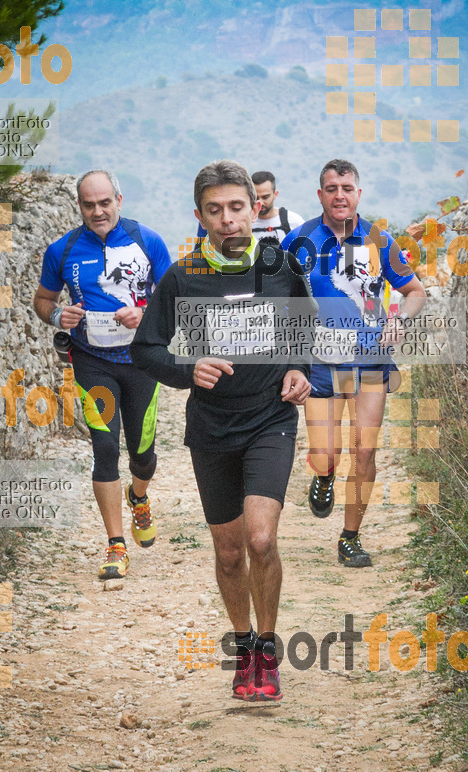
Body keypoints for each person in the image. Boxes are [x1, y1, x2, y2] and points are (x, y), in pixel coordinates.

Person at [131, 160, 316, 701]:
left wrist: (299, 369)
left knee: (262, 539)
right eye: (215, 210)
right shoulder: (185, 275)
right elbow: (147, 348)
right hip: (212, 426)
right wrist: (189, 371)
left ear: (255, 208)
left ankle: (268, 650)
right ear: (200, 216)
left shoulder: (280, 266)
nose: (228, 219)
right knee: (230, 551)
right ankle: (243, 648)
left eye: (237, 207)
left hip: (269, 420)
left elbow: (303, 325)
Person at [281, 159, 426, 568]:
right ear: (320, 195)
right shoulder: (299, 240)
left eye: (347, 187)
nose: (339, 195)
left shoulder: (380, 241)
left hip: (370, 361)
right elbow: (276, 294)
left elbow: (414, 291)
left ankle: (350, 537)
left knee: (364, 453)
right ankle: (324, 475)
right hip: (320, 363)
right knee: (327, 452)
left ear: (358, 193)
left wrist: (399, 318)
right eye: (331, 188)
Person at [33, 170, 171, 580]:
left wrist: (144, 314)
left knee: (143, 454)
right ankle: (115, 545)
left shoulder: (148, 241)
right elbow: (42, 300)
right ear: (79, 207)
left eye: (104, 203)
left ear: (119, 200)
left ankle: (139, 496)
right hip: (91, 361)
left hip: (143, 360)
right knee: (105, 447)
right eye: (89, 205)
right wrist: (58, 314)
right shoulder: (63, 249)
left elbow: (173, 299)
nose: (98, 211)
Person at [251, 170, 305, 247]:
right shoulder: (244, 223)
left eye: (265, 197)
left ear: (275, 194)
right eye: (256, 198)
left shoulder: (294, 222)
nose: (260, 202)